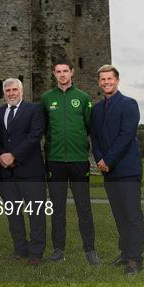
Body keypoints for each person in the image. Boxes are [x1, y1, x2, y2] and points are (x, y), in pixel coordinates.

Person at [41, 60, 100, 265]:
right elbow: (44, 128)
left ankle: (90, 249)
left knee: (84, 207)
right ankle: (58, 249)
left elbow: (90, 127)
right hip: (55, 161)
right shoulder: (47, 98)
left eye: (65, 71)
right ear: (54, 74)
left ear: (72, 73)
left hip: (78, 161)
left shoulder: (82, 98)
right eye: (58, 71)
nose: (62, 74)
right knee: (57, 208)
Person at [91, 64, 144, 275]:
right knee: (119, 215)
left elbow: (125, 136)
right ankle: (125, 253)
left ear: (117, 80)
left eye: (109, 79)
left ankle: (135, 259)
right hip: (109, 171)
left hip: (127, 169)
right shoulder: (96, 110)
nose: (106, 82)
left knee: (132, 216)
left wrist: (109, 160)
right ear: (99, 83)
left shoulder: (129, 104)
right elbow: (94, 138)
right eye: (103, 79)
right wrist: (100, 160)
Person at [0, 78, 46, 265]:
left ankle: (36, 253)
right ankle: (20, 249)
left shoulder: (34, 110)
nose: (11, 93)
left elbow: (34, 136)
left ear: (21, 91)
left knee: (36, 214)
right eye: (7, 90)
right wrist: (1, 156)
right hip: (6, 173)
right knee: (13, 215)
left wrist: (14, 155)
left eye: (14, 90)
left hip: (30, 171)